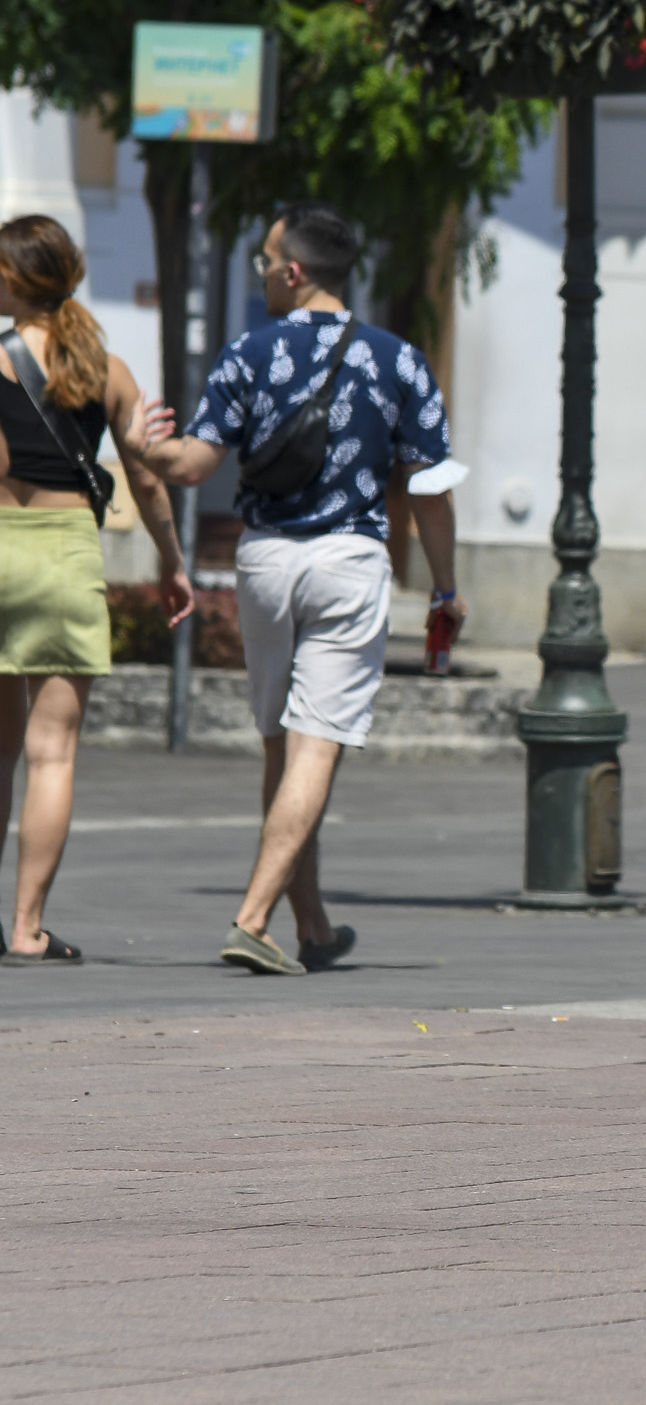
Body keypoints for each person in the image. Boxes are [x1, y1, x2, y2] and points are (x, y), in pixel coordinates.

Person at [134, 200, 466, 976]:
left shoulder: (248, 353)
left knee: (282, 748)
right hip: (349, 561)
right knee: (318, 748)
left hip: (266, 562)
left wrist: (147, 451)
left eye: (263, 263)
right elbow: (430, 489)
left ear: (293, 271)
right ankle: (253, 918)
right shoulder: (400, 359)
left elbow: (193, 467)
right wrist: (445, 586)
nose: (262, 276)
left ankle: (311, 925)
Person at [0, 215, 193, 965]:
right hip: (64, 558)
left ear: (20, 278)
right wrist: (172, 561)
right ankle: (27, 927)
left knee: (0, 752)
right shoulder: (104, 367)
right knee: (52, 754)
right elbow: (145, 474)